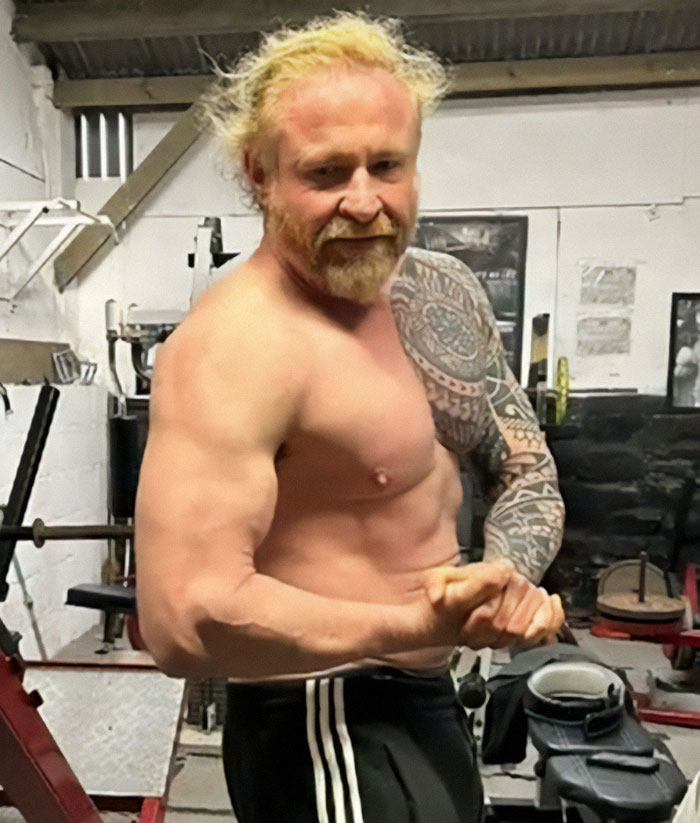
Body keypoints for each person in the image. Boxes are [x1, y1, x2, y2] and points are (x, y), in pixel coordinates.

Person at [134, 13, 566, 823]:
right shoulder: (236, 347)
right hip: (320, 715)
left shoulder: (445, 294)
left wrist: (501, 584)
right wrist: (411, 620)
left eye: (387, 166)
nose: (363, 201)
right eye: (326, 172)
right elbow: (183, 618)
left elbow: (525, 466)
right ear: (258, 174)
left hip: (426, 692)